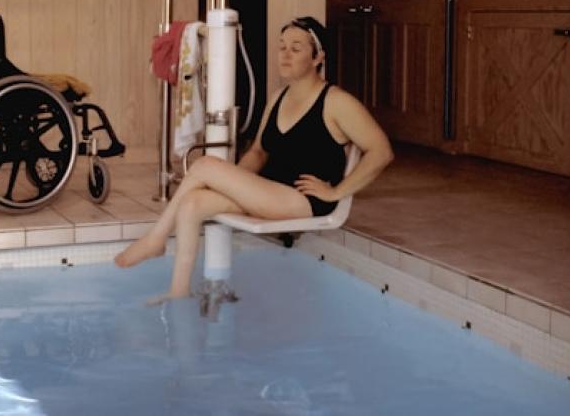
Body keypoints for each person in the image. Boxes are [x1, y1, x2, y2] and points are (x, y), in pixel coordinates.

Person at [114, 16, 393, 301]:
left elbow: (381, 151)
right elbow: (259, 152)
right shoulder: (278, 97)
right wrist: (229, 181)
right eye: (282, 46)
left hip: (303, 199)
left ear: (318, 57)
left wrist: (337, 191)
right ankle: (178, 290)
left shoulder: (336, 101)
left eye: (296, 48)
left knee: (205, 165)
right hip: (270, 189)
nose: (285, 54)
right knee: (192, 202)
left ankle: (156, 238)